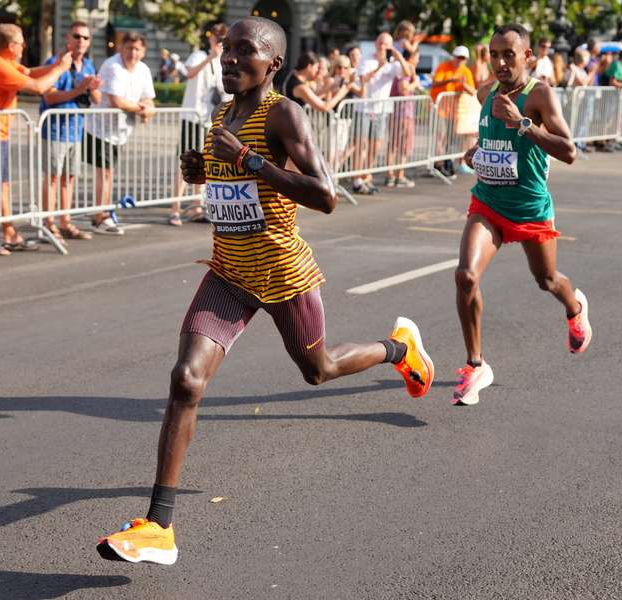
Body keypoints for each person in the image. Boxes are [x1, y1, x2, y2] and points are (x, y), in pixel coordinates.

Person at [95, 16, 434, 565]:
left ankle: (398, 349)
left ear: (272, 64)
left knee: (318, 369)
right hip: (228, 271)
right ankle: (159, 526)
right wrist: (201, 169)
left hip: (281, 273)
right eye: (226, 50)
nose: (229, 59)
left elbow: (325, 194)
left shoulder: (284, 113)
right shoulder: (223, 112)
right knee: (185, 381)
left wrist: (249, 160)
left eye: (243, 51)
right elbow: (230, 179)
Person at [455, 23, 592, 406]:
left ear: (527, 57)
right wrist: (477, 154)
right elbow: (491, 142)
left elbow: (568, 151)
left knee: (546, 280)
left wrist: (523, 123)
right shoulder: (485, 92)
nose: (499, 62)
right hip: (488, 203)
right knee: (465, 276)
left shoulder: (540, 95)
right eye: (494, 54)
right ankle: (475, 364)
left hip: (530, 208)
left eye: (508, 55)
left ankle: (575, 307)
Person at [0, 23, 72, 256]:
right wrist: (60, 70)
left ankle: (9, 233)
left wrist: (56, 65)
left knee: (2, 186)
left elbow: (28, 73)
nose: (24, 46)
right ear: (11, 46)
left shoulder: (3, 60)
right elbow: (38, 87)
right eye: (20, 42)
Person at [83, 31, 155, 236]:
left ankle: (103, 212)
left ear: (143, 51)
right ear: (120, 48)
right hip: (100, 128)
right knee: (104, 173)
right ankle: (100, 216)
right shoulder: (112, 66)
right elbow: (117, 101)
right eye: (128, 48)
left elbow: (148, 99)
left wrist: (148, 108)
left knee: (109, 172)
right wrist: (142, 109)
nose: (132, 52)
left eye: (136, 49)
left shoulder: (143, 69)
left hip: (120, 131)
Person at [38, 20, 100, 243]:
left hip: (76, 129)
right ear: (67, 38)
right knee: (53, 177)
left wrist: (92, 88)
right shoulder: (55, 62)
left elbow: (96, 98)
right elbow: (49, 95)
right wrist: (78, 90)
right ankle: (49, 223)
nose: (80, 41)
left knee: (69, 178)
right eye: (76, 36)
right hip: (55, 129)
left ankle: (65, 222)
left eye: (85, 37)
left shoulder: (89, 64)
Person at [173, 22, 229, 226]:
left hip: (208, 119)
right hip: (192, 116)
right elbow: (189, 73)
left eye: (224, 39)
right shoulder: (199, 55)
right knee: (185, 162)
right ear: (211, 38)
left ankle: (196, 207)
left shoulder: (224, 61)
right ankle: (175, 207)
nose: (220, 42)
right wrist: (210, 58)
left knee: (201, 164)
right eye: (217, 37)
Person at [351, 32, 412, 195]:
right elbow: (363, 80)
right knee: (360, 145)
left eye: (386, 44)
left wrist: (398, 55)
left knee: (375, 147)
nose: (382, 46)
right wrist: (379, 65)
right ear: (375, 43)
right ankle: (356, 179)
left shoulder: (392, 63)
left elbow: (407, 74)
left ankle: (366, 177)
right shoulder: (367, 59)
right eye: (380, 43)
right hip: (363, 109)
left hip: (380, 110)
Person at [430, 45, 477, 178]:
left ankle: (445, 162)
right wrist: (451, 80)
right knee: (441, 137)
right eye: (458, 57)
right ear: (453, 57)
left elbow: (472, 91)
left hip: (454, 111)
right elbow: (435, 83)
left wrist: (463, 84)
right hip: (440, 109)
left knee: (449, 140)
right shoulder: (443, 67)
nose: (459, 60)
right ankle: (438, 165)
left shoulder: (466, 71)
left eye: (462, 58)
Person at [385, 47, 421, 188]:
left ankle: (391, 175)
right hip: (403, 112)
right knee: (401, 145)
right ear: (411, 58)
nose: (418, 61)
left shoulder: (401, 68)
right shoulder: (405, 69)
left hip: (397, 111)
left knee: (394, 144)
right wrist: (415, 83)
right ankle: (397, 175)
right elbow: (403, 88)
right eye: (417, 57)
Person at [283, 51, 350, 111]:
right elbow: (324, 107)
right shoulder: (301, 87)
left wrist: (328, 89)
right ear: (309, 67)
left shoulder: (292, 75)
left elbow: (314, 95)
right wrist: (342, 92)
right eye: (317, 68)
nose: (318, 72)